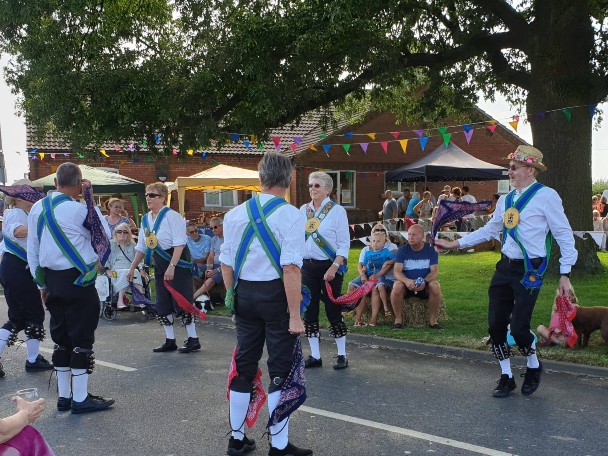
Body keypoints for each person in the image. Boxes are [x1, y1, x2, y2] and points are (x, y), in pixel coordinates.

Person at [435, 145, 577, 398]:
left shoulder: (547, 196)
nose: (509, 172)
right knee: (496, 327)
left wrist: (565, 272)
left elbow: (563, 234)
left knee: (520, 329)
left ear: (530, 170)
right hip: (504, 266)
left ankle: (533, 365)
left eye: (514, 167)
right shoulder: (506, 200)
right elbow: (490, 230)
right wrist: (454, 243)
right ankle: (506, 376)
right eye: (509, 168)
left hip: (529, 270)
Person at [220, 152, 312, 456]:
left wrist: (232, 295)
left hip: (244, 295)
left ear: (260, 179)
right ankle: (279, 445)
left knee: (243, 366)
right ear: (288, 180)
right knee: (280, 371)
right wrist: (296, 315)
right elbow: (291, 268)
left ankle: (236, 438)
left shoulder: (234, 214)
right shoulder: (292, 215)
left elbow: (226, 263)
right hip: (276, 298)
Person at [27, 162, 114, 413]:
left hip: (51, 281)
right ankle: (80, 399)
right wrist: (90, 200)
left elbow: (32, 250)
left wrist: (41, 283)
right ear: (79, 184)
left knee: (61, 337)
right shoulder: (80, 210)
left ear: (55, 183)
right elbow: (103, 235)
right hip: (78, 281)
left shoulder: (36, 208)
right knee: (81, 337)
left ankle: (64, 397)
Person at [127, 183, 200, 353]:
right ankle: (170, 340)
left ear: (162, 198)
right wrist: (132, 268)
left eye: (152, 195)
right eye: (147, 195)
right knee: (163, 303)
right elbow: (141, 247)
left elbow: (180, 243)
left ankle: (193, 338)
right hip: (159, 264)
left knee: (182, 301)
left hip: (177, 263)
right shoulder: (145, 219)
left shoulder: (173, 217)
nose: (148, 198)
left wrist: (172, 266)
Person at [0, 181, 53, 378]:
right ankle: (33, 360)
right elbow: (17, 232)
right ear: (18, 198)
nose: (33, 198)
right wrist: (43, 227)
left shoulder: (27, 214)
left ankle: (33, 359)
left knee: (25, 316)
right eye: (29, 195)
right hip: (16, 269)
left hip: (19, 270)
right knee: (25, 316)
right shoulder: (14, 213)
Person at [301, 171, 350, 370]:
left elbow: (344, 244)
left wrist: (335, 266)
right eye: (311, 185)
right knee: (309, 311)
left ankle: (341, 355)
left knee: (333, 310)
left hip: (330, 266)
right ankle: (315, 355)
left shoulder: (337, 211)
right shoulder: (303, 210)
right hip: (307, 267)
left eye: (317, 185)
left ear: (328, 189)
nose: (313, 188)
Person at [390, 224, 442, 330]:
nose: (410, 237)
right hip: (407, 286)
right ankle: (398, 319)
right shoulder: (402, 250)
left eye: (414, 235)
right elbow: (397, 272)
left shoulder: (431, 250)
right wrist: (407, 281)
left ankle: (433, 320)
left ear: (422, 237)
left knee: (435, 285)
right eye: (409, 234)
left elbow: (435, 272)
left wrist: (424, 281)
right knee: (397, 286)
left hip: (424, 286)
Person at [352, 224, 398, 326]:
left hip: (382, 277)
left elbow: (397, 258)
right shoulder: (367, 250)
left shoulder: (390, 248)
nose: (380, 231)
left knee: (374, 288)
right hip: (368, 275)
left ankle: (374, 318)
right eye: (377, 230)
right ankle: (354, 315)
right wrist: (363, 273)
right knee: (355, 286)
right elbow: (361, 264)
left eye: (382, 230)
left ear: (385, 237)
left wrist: (388, 263)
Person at [104, 222, 147, 310]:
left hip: (131, 268)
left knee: (134, 272)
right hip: (115, 270)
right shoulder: (110, 244)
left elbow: (139, 259)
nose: (122, 233)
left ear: (128, 234)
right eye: (119, 231)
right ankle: (120, 301)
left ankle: (140, 299)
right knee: (128, 272)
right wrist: (107, 270)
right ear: (115, 233)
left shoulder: (133, 245)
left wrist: (142, 269)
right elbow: (105, 260)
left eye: (125, 232)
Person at [193, 216, 224, 303]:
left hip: (224, 267)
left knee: (211, 279)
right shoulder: (214, 239)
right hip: (214, 265)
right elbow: (211, 256)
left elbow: (231, 261)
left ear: (222, 226)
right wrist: (209, 268)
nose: (213, 230)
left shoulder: (229, 239)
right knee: (193, 270)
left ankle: (192, 299)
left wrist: (216, 270)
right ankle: (200, 297)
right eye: (211, 228)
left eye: (215, 227)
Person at [186, 220, 212, 289]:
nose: (195, 233)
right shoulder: (186, 240)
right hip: (192, 265)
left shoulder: (207, 239)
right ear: (188, 233)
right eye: (191, 232)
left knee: (194, 273)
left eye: (196, 230)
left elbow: (206, 258)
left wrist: (194, 262)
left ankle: (196, 295)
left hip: (204, 264)